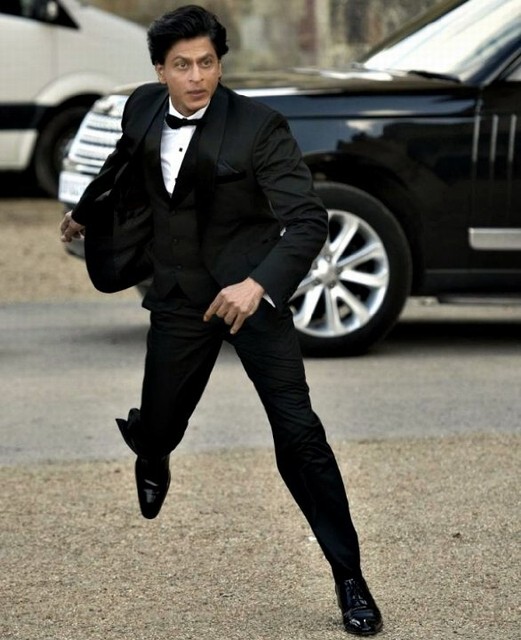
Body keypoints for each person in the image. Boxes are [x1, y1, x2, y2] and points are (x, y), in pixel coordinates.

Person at [60, 5, 383, 635]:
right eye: (182, 65)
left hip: (251, 298)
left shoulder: (260, 127)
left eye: (207, 62)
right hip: (179, 296)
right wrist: (85, 211)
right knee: (159, 425)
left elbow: (308, 221)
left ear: (219, 63)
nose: (197, 77)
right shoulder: (142, 107)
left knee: (301, 436)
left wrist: (258, 284)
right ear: (160, 70)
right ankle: (153, 452)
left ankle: (349, 576)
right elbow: (124, 162)